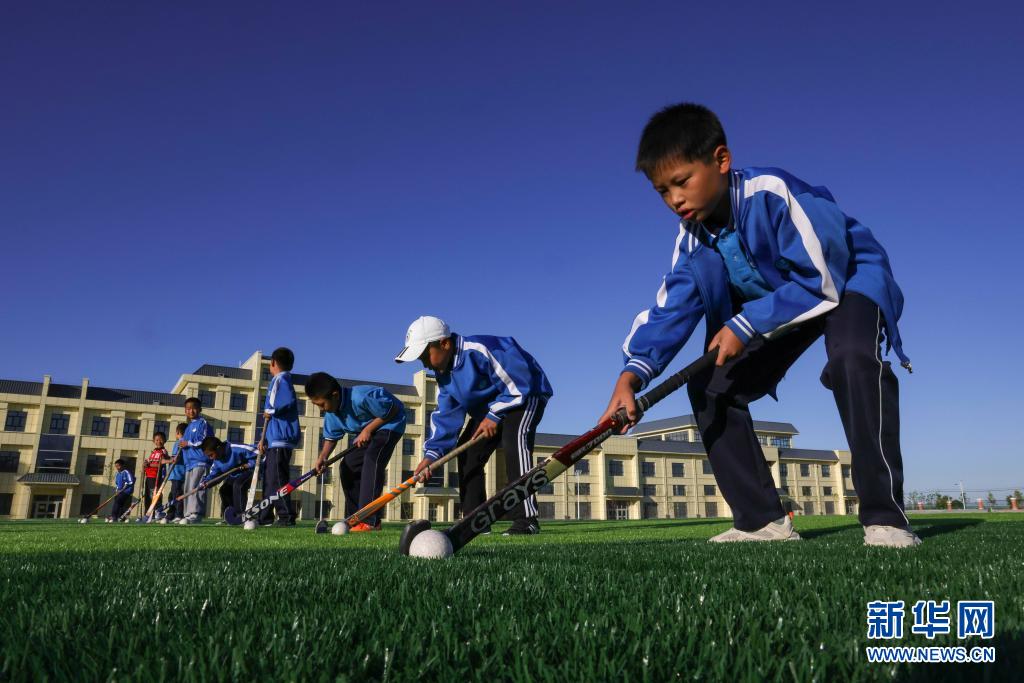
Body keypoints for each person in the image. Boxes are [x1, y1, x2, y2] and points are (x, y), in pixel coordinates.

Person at [598, 103, 919, 547]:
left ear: (721, 160)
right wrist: (630, 377)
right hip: (776, 307)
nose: (674, 199)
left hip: (845, 282)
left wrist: (746, 324)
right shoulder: (691, 240)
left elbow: (822, 280)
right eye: (662, 191)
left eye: (682, 181)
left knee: (852, 358)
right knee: (709, 386)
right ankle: (762, 520)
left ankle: (886, 518)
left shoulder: (772, 192)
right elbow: (670, 310)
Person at [396, 316, 552, 535]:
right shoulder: (444, 376)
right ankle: (476, 523)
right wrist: (431, 456)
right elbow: (446, 416)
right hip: (489, 410)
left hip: (524, 397)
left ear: (444, 343)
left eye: (424, 355)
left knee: (514, 443)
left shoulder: (481, 349)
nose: (423, 363)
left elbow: (520, 383)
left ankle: (527, 520)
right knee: (468, 455)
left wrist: (495, 415)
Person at [308, 372, 407, 532]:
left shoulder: (362, 396)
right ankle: (355, 519)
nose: (321, 409)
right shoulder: (331, 413)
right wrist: (323, 457)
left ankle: (369, 520)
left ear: (335, 395)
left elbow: (393, 409)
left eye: (322, 404)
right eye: (316, 405)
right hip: (368, 433)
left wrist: (367, 429)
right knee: (348, 465)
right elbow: (331, 438)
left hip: (390, 424)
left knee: (372, 458)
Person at [258, 347, 301, 526]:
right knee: (269, 481)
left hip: (281, 440)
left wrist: (271, 411)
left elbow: (286, 402)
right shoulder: (279, 380)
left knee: (278, 479)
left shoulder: (281, 379)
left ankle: (286, 516)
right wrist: (264, 440)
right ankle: (264, 516)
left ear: (273, 363)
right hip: (274, 440)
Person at [199, 436, 259, 520]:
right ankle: (229, 516)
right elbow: (213, 475)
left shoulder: (236, 448)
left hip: (251, 471)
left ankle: (241, 515)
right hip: (235, 475)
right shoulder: (216, 462)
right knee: (224, 490)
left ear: (218, 449)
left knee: (238, 485)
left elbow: (259, 453)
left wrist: (249, 464)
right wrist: (205, 482)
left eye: (211, 455)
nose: (211, 458)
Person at [177, 397, 212, 525]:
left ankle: (196, 513)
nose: (191, 411)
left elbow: (204, 440)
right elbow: (184, 444)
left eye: (194, 408)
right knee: (188, 488)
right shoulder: (188, 427)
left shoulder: (203, 423)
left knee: (197, 487)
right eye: (188, 409)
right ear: (185, 411)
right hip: (189, 463)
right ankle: (188, 514)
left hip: (200, 461)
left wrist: (188, 443)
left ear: (200, 409)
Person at [160, 422, 188, 523]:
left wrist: (165, 460)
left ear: (178, 433)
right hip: (179, 474)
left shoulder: (179, 442)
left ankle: (179, 515)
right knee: (172, 495)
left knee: (176, 495)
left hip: (177, 474)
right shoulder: (185, 443)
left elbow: (176, 458)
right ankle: (170, 515)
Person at [143, 431, 169, 512]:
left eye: (161, 440)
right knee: (147, 495)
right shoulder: (154, 451)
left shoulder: (163, 451)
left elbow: (161, 463)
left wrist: (150, 465)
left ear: (165, 440)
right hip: (149, 476)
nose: (159, 442)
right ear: (154, 441)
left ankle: (157, 511)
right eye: (157, 440)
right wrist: (145, 464)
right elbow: (149, 461)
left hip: (156, 476)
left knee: (154, 494)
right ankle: (147, 512)